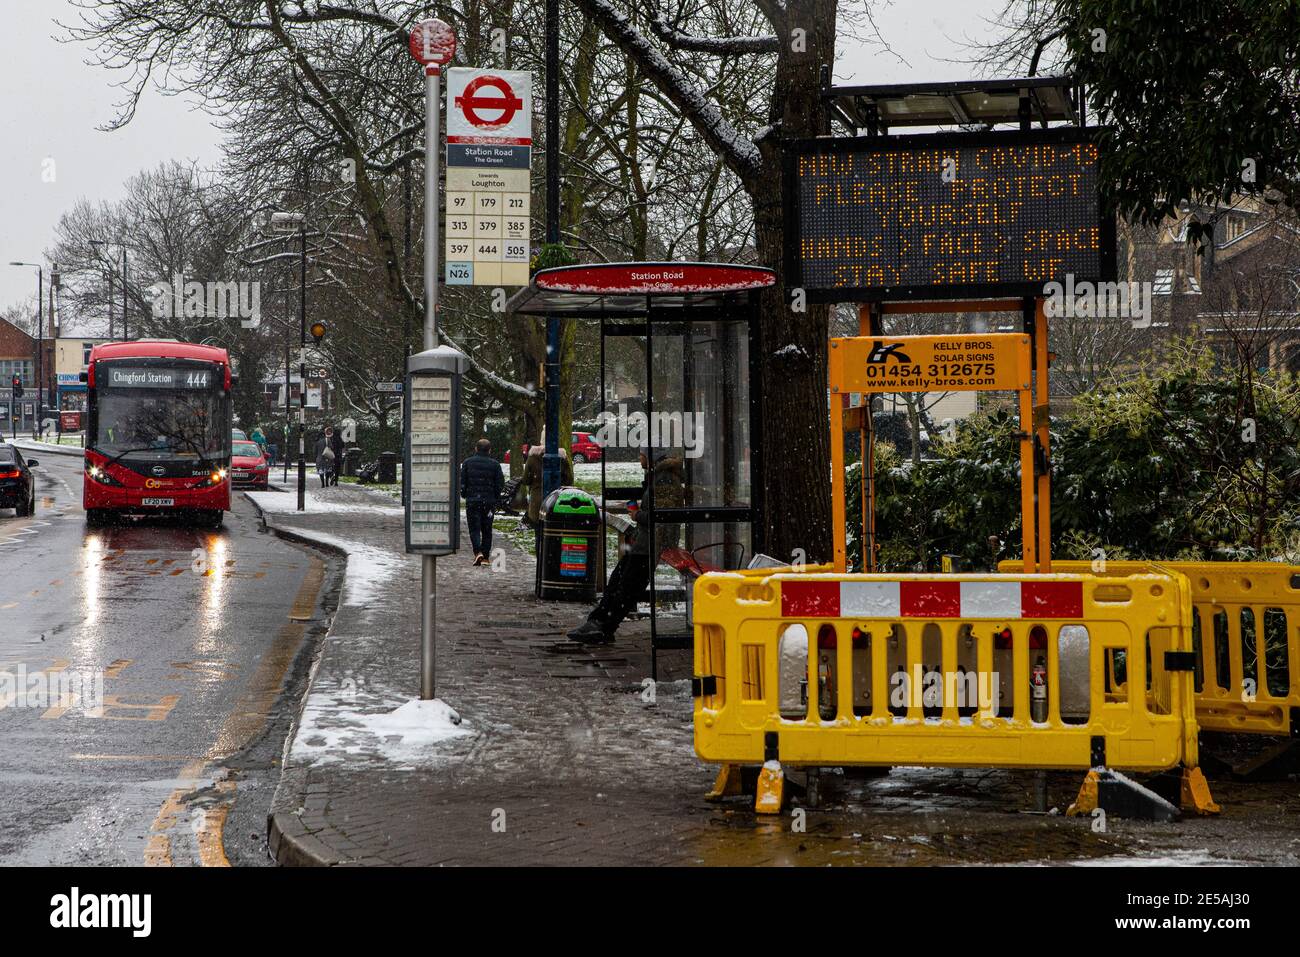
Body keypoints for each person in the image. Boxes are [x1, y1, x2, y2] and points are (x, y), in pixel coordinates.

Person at [567, 446, 685, 645]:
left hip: (651, 544)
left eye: (642, 454)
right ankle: (598, 621)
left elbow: (663, 516)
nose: (639, 457)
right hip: (645, 541)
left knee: (627, 587)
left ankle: (604, 626)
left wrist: (637, 514)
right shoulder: (657, 475)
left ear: (651, 456)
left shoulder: (663, 478)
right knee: (618, 581)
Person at [459, 437, 504, 566]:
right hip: (488, 502)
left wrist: (465, 494)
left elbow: (463, 481)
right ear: (489, 450)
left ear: (476, 449)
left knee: (474, 528)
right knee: (487, 529)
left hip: (473, 501)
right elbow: (499, 483)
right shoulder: (495, 464)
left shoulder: (467, 463)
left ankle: (477, 551)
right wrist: (495, 496)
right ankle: (485, 556)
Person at [521, 430, 573, 528]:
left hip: (537, 500)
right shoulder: (561, 457)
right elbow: (569, 480)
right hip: (557, 500)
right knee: (554, 530)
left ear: (541, 440)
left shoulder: (532, 457)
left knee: (538, 529)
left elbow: (526, 480)